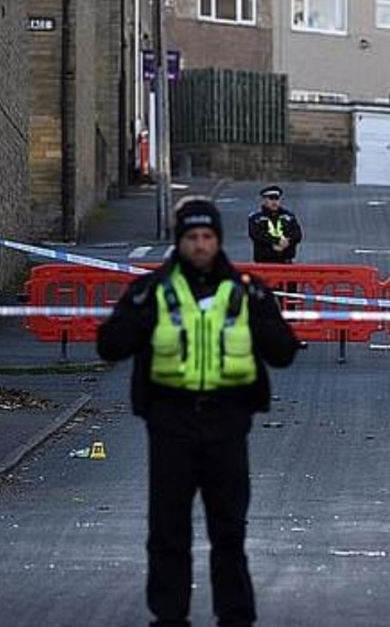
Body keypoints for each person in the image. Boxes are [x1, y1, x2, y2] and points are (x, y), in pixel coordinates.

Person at [98, 196, 299, 627]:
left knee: (229, 529)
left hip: (227, 425)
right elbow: (110, 346)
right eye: (192, 237)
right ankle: (168, 617)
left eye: (208, 236)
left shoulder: (247, 290)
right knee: (168, 531)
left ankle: (235, 615)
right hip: (171, 424)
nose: (201, 245)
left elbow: (283, 352)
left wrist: (263, 314)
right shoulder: (151, 291)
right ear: (180, 241)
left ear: (218, 241)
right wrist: (137, 314)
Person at [248, 185, 302, 264]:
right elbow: (256, 235)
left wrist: (288, 242)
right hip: (264, 262)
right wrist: (275, 242)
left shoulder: (289, 217)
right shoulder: (256, 218)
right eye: (271, 199)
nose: (274, 202)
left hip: (286, 261)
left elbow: (297, 234)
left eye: (276, 199)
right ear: (263, 200)